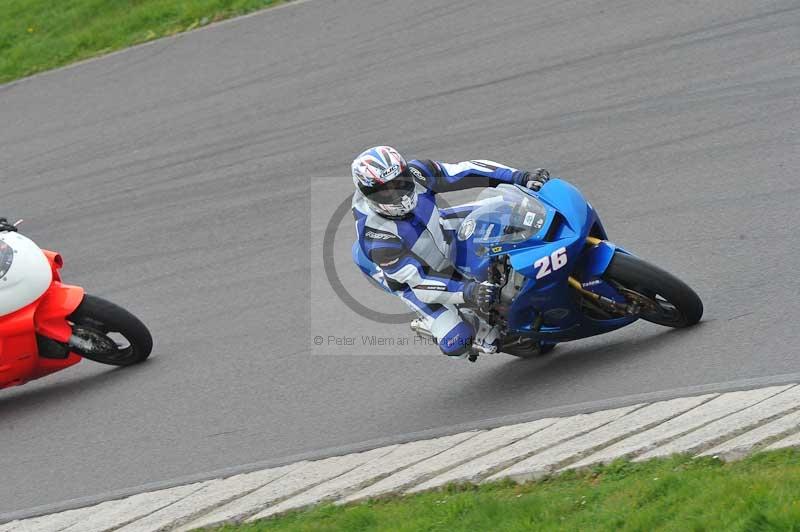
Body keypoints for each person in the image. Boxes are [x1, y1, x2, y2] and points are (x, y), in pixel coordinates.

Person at [351, 146, 549, 359]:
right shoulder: (376, 238)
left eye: (400, 183)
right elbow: (421, 282)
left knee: (509, 207)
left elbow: (467, 171)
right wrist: (469, 291)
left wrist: (520, 177)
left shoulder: (419, 173)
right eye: (385, 191)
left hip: (445, 230)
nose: (396, 194)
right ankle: (481, 334)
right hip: (419, 282)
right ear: (368, 193)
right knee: (457, 341)